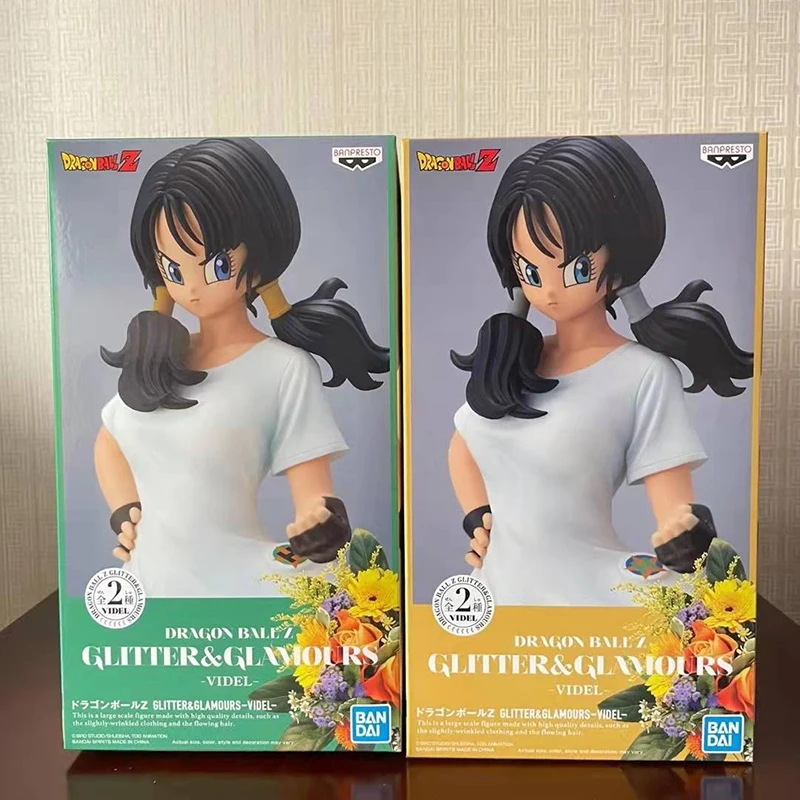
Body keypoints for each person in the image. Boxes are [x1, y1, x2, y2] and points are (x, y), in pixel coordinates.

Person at [449, 136, 753, 606]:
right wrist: (478, 516)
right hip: (497, 590)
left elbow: (674, 509)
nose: (550, 292)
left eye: (577, 268)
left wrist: (686, 533)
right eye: (531, 272)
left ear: (619, 257)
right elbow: (465, 445)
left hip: (586, 593)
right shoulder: (508, 361)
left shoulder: (642, 374)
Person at [95, 137, 389, 598]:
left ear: (260, 252)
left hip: (238, 582)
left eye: (216, 265)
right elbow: (111, 440)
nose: (192, 288)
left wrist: (318, 527)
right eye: (174, 270)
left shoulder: (283, 369)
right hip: (146, 583)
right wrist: (125, 512)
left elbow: (314, 494)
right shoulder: (155, 361)